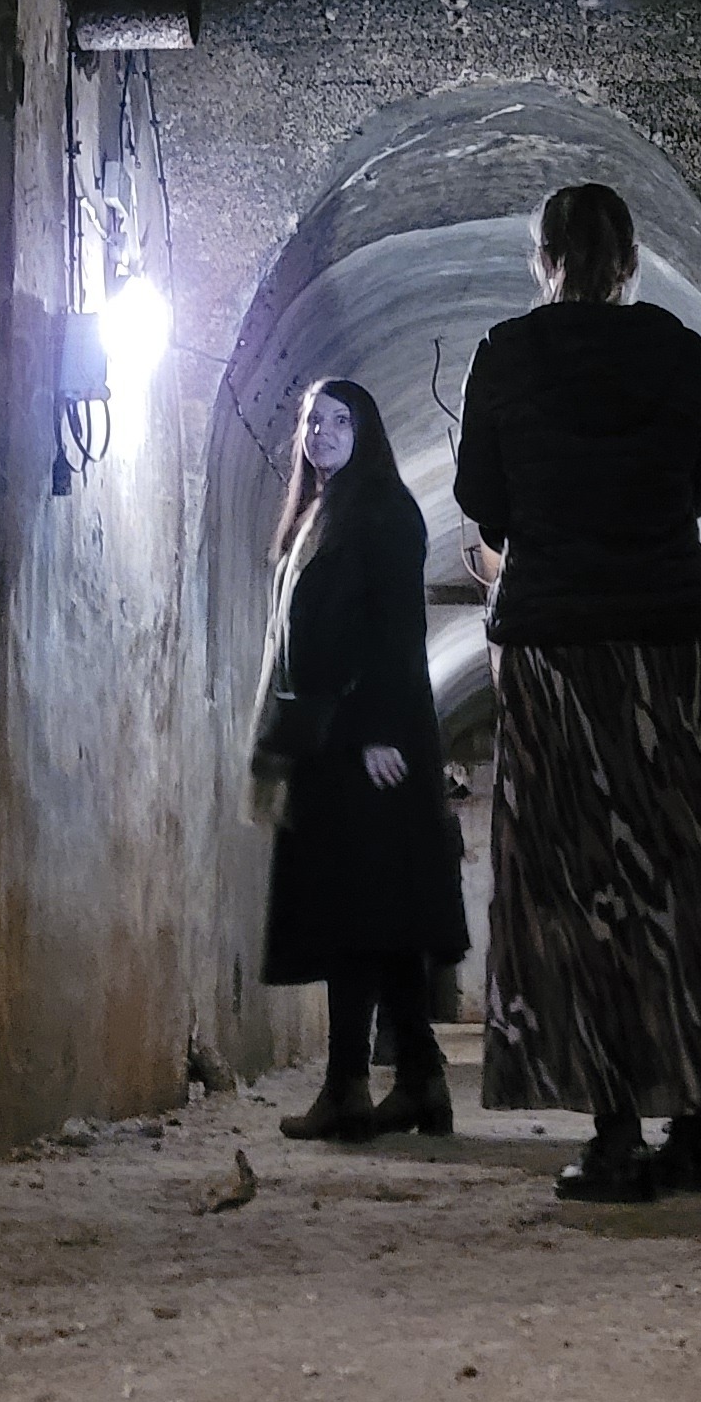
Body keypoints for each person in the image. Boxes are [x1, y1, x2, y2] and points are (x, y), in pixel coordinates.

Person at [455, 182, 701, 1200]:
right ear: (631, 256)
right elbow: (700, 484)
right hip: (670, 640)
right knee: (690, 875)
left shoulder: (507, 355)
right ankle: (695, 1125)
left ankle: (614, 1135)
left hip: (560, 645)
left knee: (576, 884)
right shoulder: (681, 350)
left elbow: (483, 500)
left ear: (545, 255)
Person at [254, 378, 472, 1141]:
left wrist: (378, 728)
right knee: (376, 917)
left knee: (357, 916)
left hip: (366, 741)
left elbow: (395, 629)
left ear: (366, 430)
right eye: (312, 418)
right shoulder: (322, 513)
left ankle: (349, 1086)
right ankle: (419, 1082)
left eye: (339, 419)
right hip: (331, 740)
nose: (322, 430)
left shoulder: (380, 508)